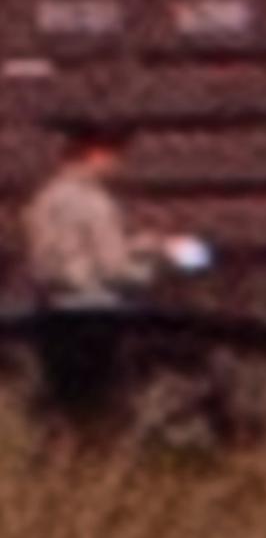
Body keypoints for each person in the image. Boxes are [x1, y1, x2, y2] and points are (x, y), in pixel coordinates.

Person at [22, 122, 174, 440]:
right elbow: (113, 270)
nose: (118, 164)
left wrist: (139, 244)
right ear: (96, 154)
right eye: (114, 155)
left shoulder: (44, 199)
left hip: (52, 310)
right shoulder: (95, 204)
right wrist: (154, 265)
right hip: (97, 311)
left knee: (63, 396)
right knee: (105, 396)